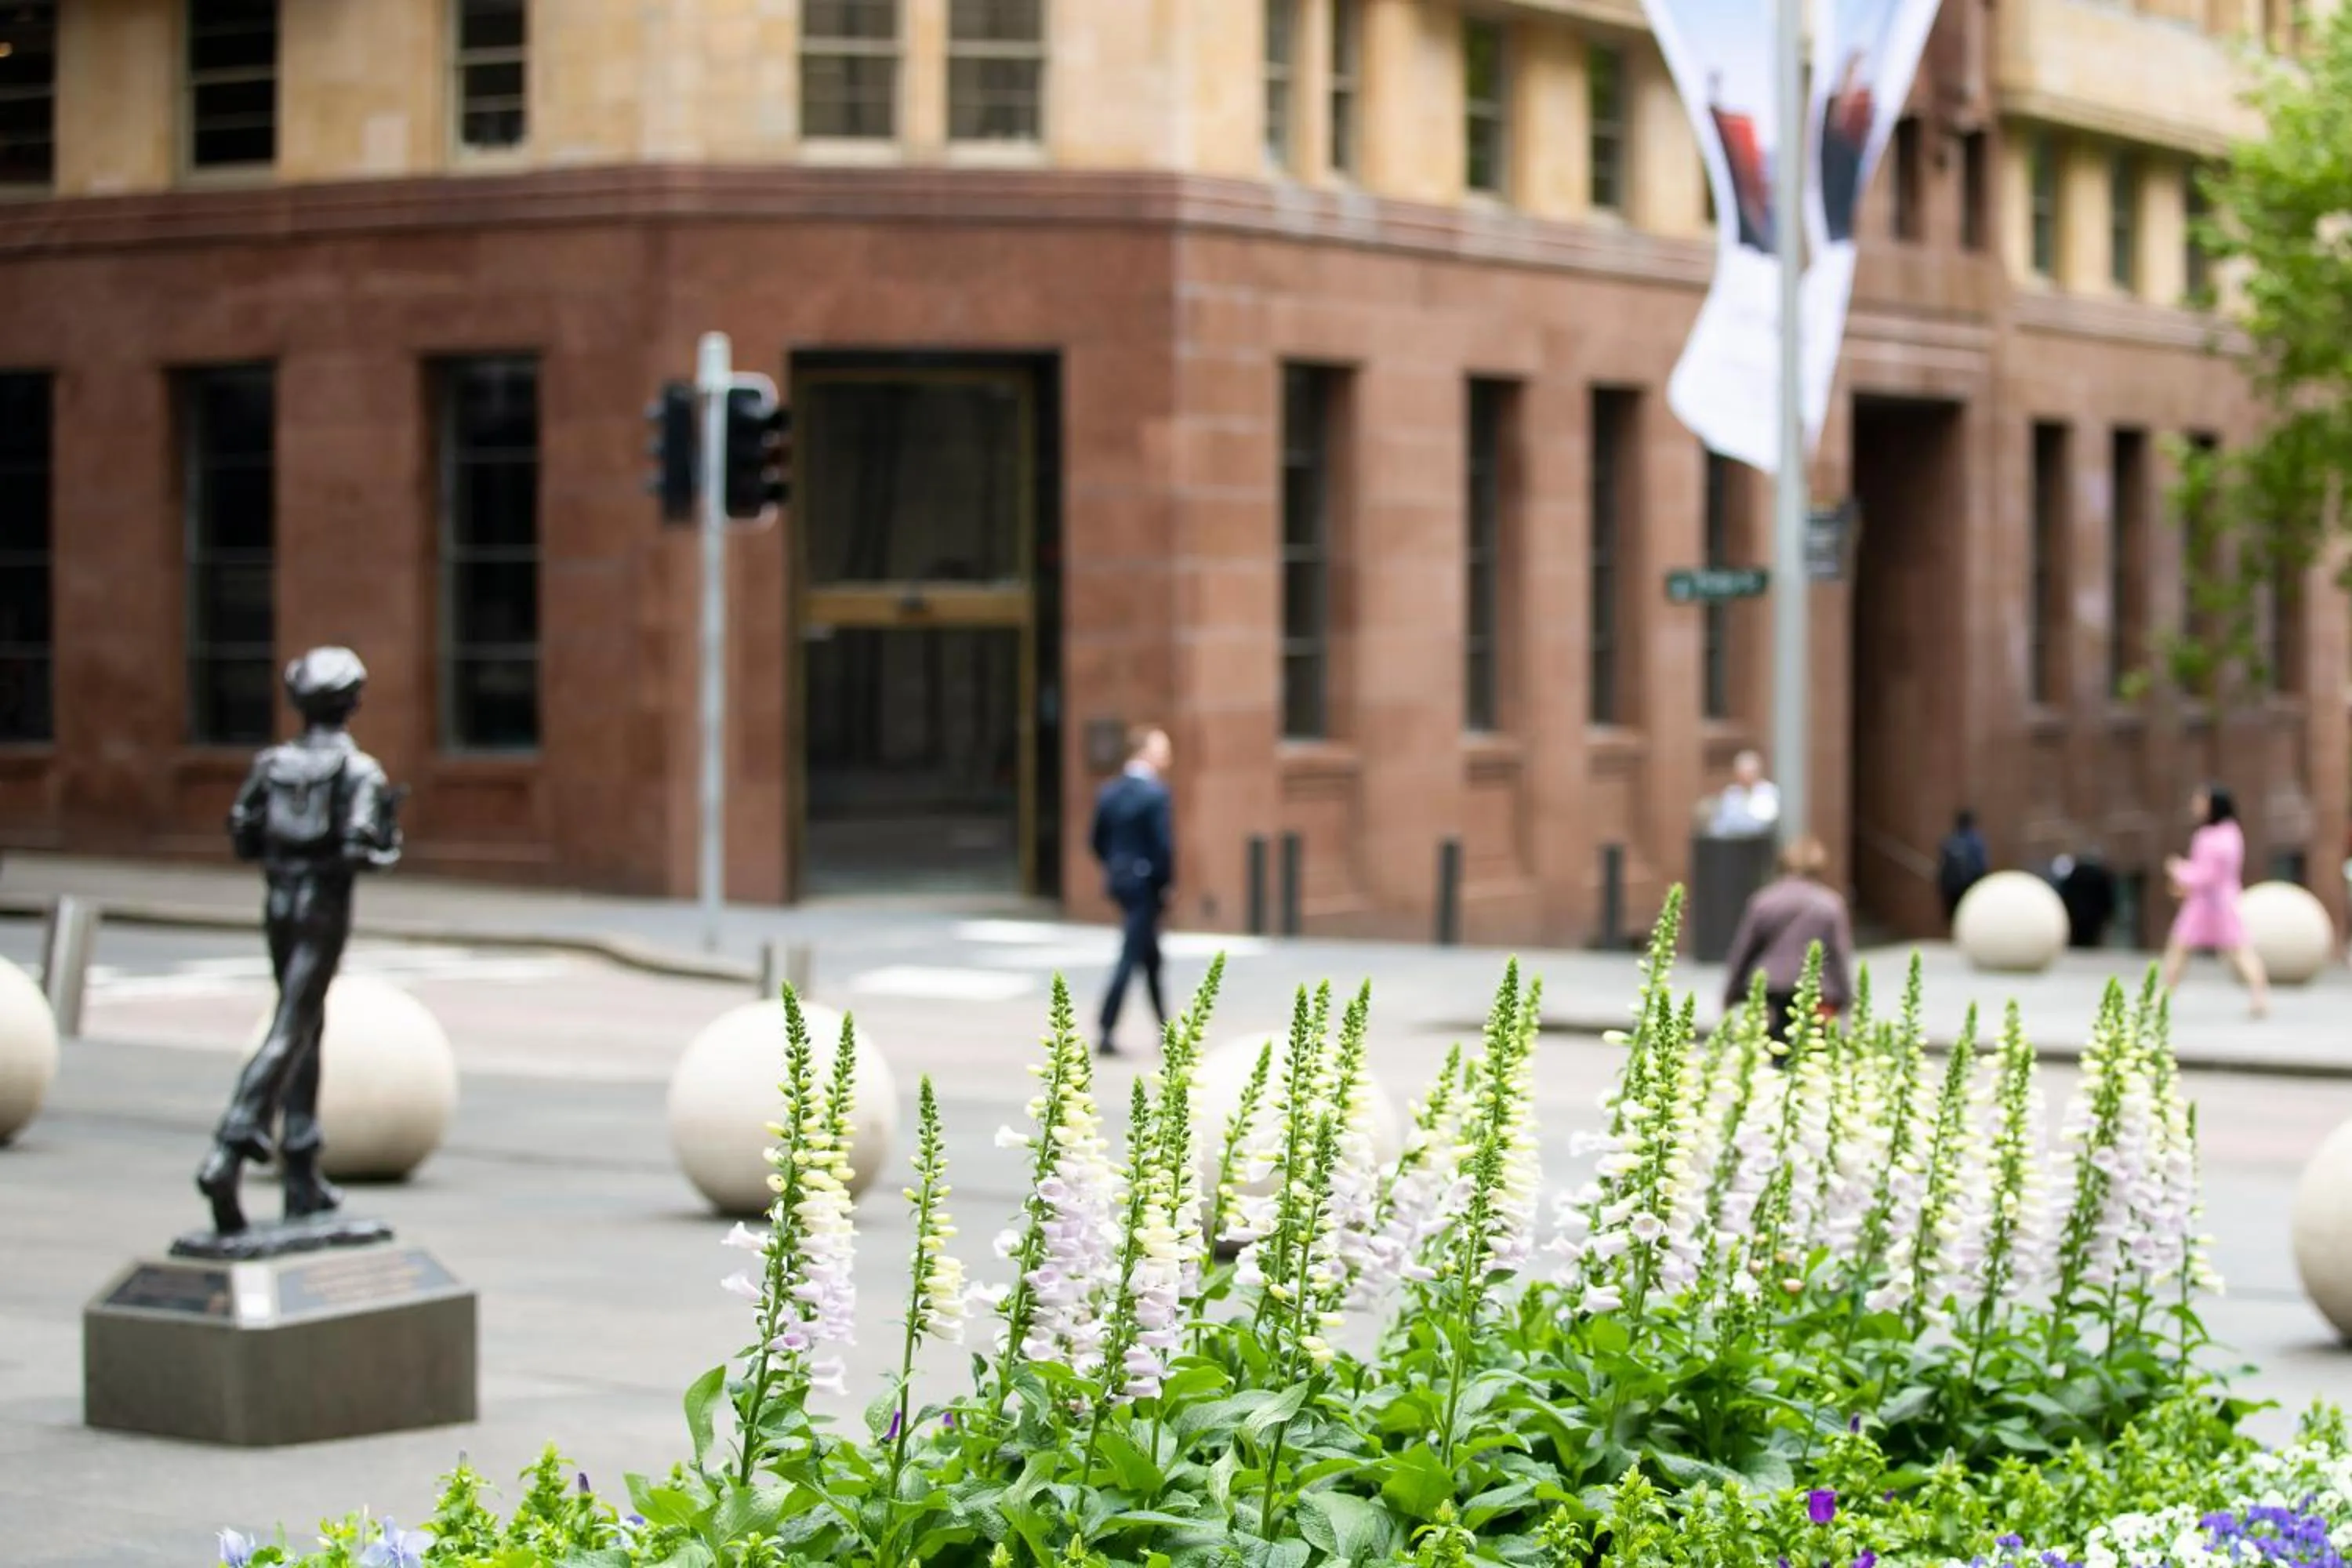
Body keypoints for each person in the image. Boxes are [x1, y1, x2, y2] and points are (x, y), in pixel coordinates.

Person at [197, 648, 405, 1235]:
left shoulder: (272, 763)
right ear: (353, 703)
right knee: (292, 1026)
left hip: (279, 901)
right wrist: (387, 843)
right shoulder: (358, 771)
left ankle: (301, 1173)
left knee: (306, 1028)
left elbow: (243, 833)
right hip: (322, 905)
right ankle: (231, 1148)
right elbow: (362, 848)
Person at [1721, 835, 1855, 1051]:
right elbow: (1839, 953)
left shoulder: (1764, 900)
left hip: (1771, 987)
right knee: (1811, 1053)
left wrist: (1731, 992)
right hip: (1818, 988)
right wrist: (1847, 996)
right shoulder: (1830, 904)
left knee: (1776, 1049)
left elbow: (1744, 949)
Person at [1091, 726, 1174, 1057]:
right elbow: (1164, 846)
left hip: (1121, 881)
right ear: (1145, 752)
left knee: (1150, 956)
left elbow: (1096, 840)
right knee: (1131, 954)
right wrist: (1165, 884)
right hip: (1146, 884)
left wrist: (1116, 867)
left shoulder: (1109, 791)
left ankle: (1165, 1030)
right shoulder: (1155, 794)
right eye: (1162, 749)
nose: (1168, 756)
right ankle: (1106, 1027)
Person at [2161, 784, 2269, 1018]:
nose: (2196, 806)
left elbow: (2207, 874)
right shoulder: (2227, 833)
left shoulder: (2215, 837)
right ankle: (2165, 994)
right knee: (2185, 948)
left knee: (2232, 949)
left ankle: (2259, 995)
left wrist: (2180, 871)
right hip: (2214, 902)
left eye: (2201, 801)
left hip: (2212, 903)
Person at [1935, 810, 1990, 928]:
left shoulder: (1950, 841)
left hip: (1951, 889)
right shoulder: (1975, 842)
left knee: (1955, 920)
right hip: (1969, 887)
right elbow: (1981, 866)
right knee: (1969, 918)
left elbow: (1943, 866)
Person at [1711, 750, 1781, 837]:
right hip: (1732, 842)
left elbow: (1761, 824)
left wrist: (1737, 823)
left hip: (1759, 842)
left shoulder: (1768, 791)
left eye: (1749, 772)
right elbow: (1722, 823)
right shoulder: (1730, 793)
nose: (1746, 776)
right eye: (1742, 773)